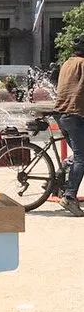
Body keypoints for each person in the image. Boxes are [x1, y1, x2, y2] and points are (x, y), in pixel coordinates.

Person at [54, 33, 84, 217]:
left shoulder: (68, 62)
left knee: (78, 152)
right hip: (74, 115)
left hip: (61, 114)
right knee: (82, 157)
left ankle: (59, 177)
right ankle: (70, 197)